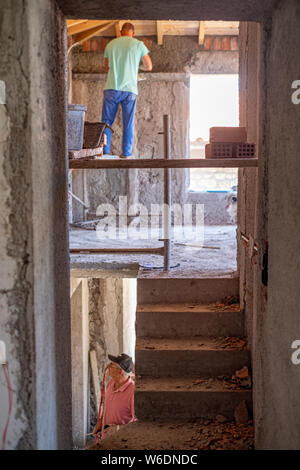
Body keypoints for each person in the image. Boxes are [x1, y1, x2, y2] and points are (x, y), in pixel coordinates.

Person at [101, 22, 152, 158]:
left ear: (121, 31)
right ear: (133, 33)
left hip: (112, 87)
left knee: (106, 122)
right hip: (130, 90)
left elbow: (107, 69)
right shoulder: (138, 45)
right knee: (128, 123)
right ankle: (127, 153)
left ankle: (105, 152)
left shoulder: (110, 45)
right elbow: (149, 66)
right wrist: (135, 67)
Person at [93, 353, 136, 439]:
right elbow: (107, 408)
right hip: (106, 438)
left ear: (120, 372)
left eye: (112, 365)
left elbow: (137, 423)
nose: (108, 366)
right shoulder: (111, 383)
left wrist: (117, 429)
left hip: (121, 441)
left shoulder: (133, 392)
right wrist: (101, 422)